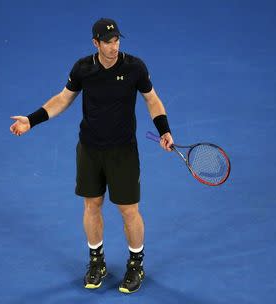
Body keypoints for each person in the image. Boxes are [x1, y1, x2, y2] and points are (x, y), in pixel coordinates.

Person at [10, 18, 174, 294]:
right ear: (95, 43)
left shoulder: (135, 67)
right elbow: (63, 98)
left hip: (123, 152)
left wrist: (164, 130)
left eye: (117, 40)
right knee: (92, 205)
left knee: (128, 210)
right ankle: (96, 261)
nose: (114, 46)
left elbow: (152, 99)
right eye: (108, 42)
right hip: (89, 150)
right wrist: (31, 119)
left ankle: (136, 264)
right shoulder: (83, 68)